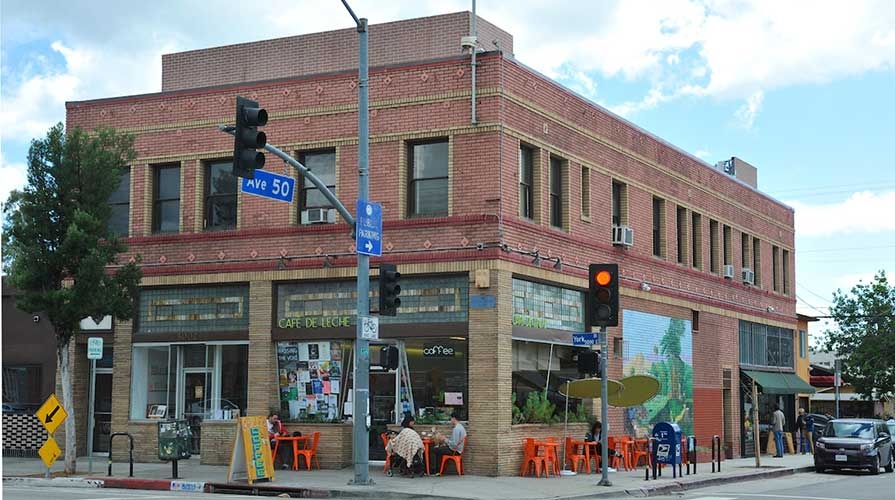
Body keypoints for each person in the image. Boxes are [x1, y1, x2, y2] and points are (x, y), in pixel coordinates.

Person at [431, 411, 467, 475]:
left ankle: (434, 470)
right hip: (458, 450)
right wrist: (446, 439)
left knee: (433, 450)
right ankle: (439, 470)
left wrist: (445, 439)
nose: (450, 420)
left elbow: (454, 444)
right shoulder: (461, 427)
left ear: (454, 418)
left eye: (451, 419)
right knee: (440, 449)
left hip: (454, 450)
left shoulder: (456, 429)